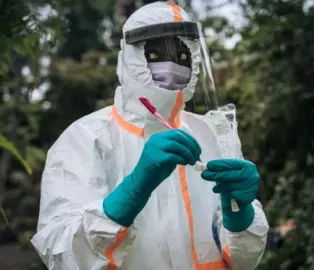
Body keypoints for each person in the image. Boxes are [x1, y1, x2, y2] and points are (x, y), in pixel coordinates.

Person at [31, 2, 269, 269]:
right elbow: (62, 253)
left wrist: (240, 216)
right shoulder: (85, 138)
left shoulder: (212, 134)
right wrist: (132, 191)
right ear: (129, 59)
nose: (172, 65)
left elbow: (244, 260)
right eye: (155, 55)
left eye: (182, 54)